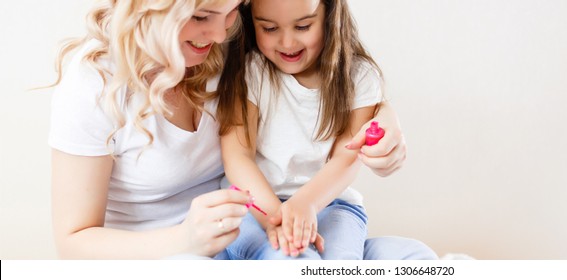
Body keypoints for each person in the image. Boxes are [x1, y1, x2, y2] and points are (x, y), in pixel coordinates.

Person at [48, 0, 435, 260]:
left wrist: (382, 116)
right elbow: (72, 241)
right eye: (202, 16)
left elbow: (313, 79)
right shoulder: (92, 86)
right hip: (166, 253)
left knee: (419, 261)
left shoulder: (225, 47)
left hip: (252, 224)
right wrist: (183, 240)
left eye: (233, 10)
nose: (219, 34)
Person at [216, 0, 395, 260]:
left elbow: (346, 157)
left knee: (341, 262)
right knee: (288, 257)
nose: (287, 43)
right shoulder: (252, 72)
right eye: (269, 28)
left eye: (302, 26)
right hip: (256, 203)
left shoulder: (361, 77)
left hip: (331, 203)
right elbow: (236, 156)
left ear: (330, 16)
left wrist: (306, 204)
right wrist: (275, 219)